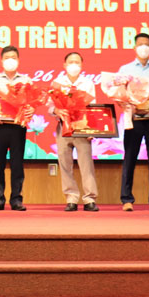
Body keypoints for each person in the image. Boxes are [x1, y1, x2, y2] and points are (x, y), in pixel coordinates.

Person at [118, 32, 149, 212]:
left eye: (147, 44)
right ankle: (127, 199)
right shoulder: (125, 69)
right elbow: (119, 94)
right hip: (134, 120)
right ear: (134, 47)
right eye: (140, 44)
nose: (144, 47)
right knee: (130, 157)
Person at [52, 52, 98, 212]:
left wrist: (92, 129)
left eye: (77, 62)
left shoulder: (88, 83)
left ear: (81, 65)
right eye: (70, 62)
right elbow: (50, 107)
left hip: (82, 128)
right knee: (65, 164)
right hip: (63, 128)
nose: (74, 65)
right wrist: (56, 110)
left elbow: (93, 108)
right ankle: (71, 198)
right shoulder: (57, 84)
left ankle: (89, 198)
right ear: (64, 65)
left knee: (86, 164)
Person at [0, 46, 31, 211]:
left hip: (18, 127)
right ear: (2, 61)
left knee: (17, 164)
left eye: (13, 57)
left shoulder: (26, 80)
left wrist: (29, 110)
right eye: (7, 58)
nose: (10, 60)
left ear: (18, 60)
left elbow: (29, 104)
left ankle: (16, 199)